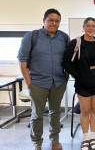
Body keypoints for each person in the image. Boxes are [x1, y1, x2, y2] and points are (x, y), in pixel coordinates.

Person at [17, 8, 70, 150]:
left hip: (58, 82)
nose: (54, 23)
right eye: (50, 20)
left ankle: (55, 140)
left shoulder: (64, 38)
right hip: (37, 83)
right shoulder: (31, 36)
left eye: (57, 21)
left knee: (55, 112)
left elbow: (69, 59)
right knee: (37, 115)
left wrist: (66, 76)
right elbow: (22, 61)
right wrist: (29, 83)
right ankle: (37, 142)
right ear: (44, 20)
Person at [63, 17, 95, 150]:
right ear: (83, 27)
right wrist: (78, 76)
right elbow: (66, 62)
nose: (90, 28)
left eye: (93, 26)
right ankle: (85, 139)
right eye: (88, 25)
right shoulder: (76, 43)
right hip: (83, 82)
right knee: (85, 110)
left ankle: (93, 137)